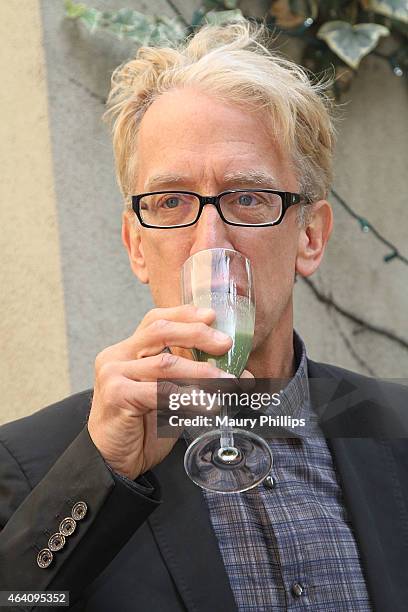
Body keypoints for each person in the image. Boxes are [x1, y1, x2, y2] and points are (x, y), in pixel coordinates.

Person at [0, 20, 407, 612]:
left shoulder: (396, 428)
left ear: (310, 237)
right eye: (170, 202)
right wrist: (99, 472)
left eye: (247, 197)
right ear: (136, 245)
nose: (208, 240)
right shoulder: (35, 462)